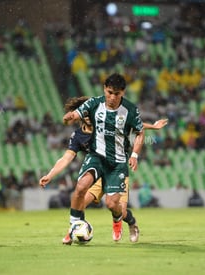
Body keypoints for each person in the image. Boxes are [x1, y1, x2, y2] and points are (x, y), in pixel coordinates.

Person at [40, 95, 167, 243]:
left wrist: (152, 126)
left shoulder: (105, 121)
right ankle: (75, 229)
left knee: (118, 208)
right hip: (96, 173)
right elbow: (66, 158)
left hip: (115, 168)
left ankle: (131, 223)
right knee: (81, 199)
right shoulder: (78, 136)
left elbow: (130, 122)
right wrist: (50, 175)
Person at [58, 73, 154, 244]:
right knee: (80, 188)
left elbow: (140, 132)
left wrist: (134, 155)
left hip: (117, 164)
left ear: (123, 92)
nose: (112, 97)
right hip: (97, 157)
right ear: (104, 89)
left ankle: (124, 220)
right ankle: (74, 226)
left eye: (116, 94)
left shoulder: (130, 110)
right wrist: (69, 117)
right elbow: (76, 115)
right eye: (109, 92)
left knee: (112, 204)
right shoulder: (95, 103)